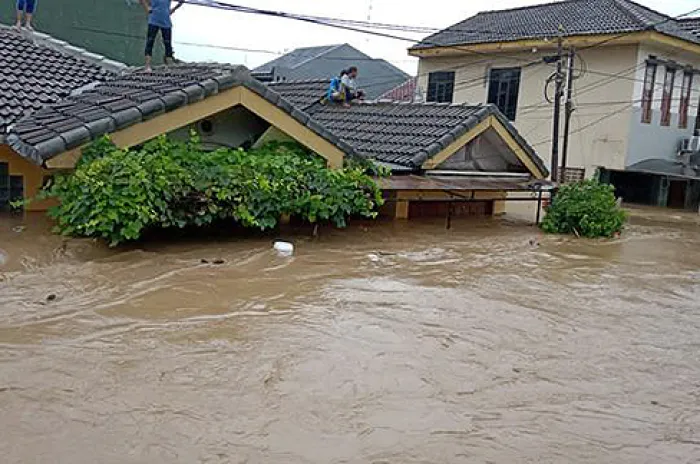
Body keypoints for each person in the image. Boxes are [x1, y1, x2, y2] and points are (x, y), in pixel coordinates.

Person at [139, 0, 184, 72]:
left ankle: (168, 65)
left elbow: (181, 1)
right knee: (150, 42)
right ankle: (147, 66)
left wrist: (173, 9)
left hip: (166, 21)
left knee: (167, 44)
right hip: (153, 20)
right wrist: (147, 7)